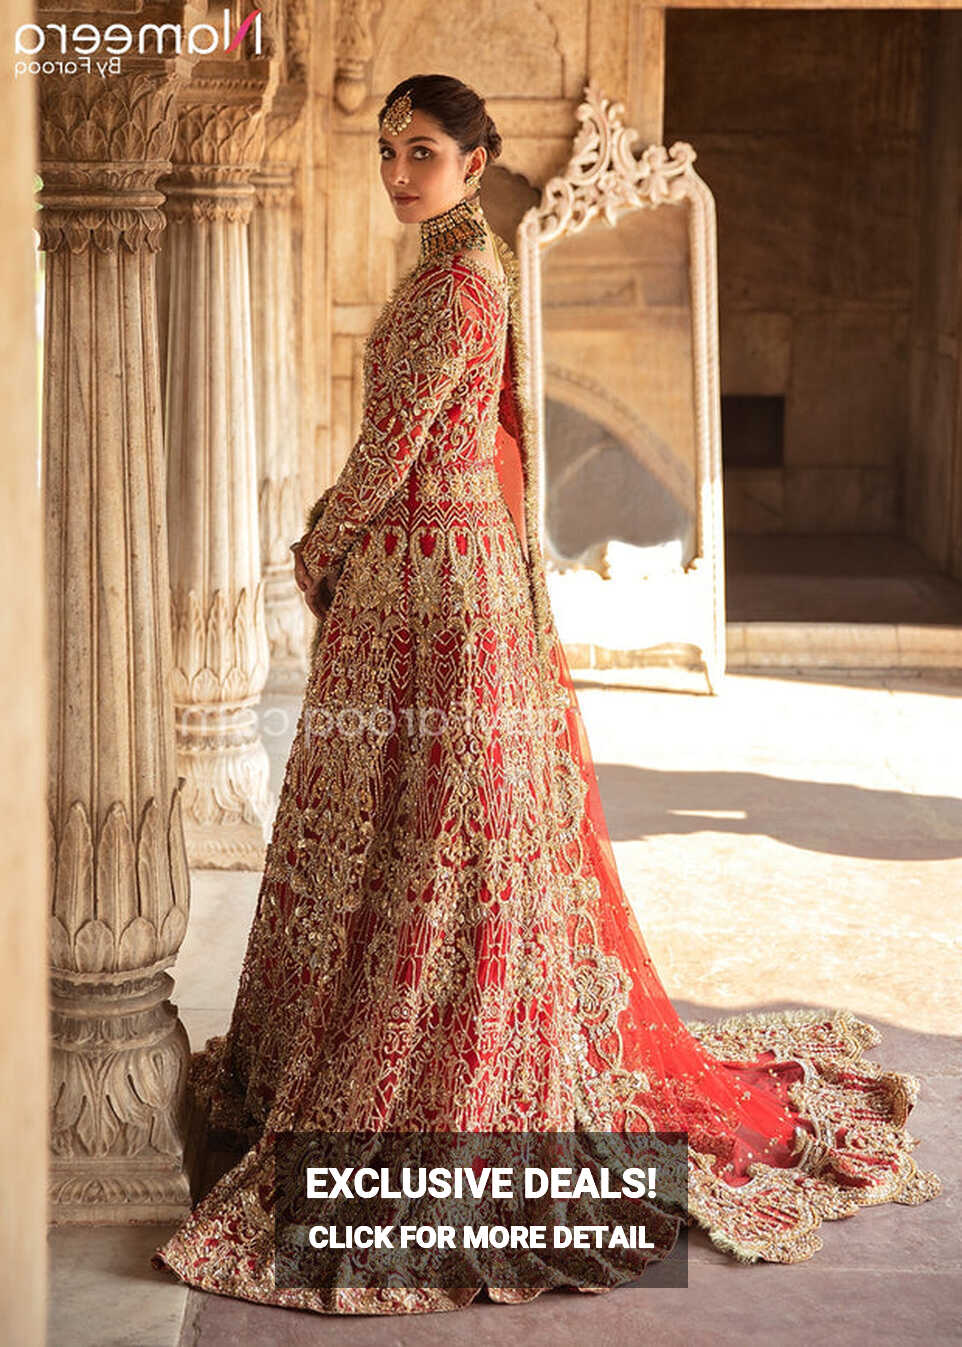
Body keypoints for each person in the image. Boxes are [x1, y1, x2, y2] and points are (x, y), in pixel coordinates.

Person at [150, 73, 942, 1316]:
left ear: (474, 165)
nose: (397, 172)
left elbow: (388, 455)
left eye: (420, 153)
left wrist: (316, 546)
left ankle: (428, 1096)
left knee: (429, 840)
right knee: (423, 833)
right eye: (385, 151)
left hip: (432, 584)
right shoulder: (464, 271)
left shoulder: (453, 284)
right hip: (448, 580)